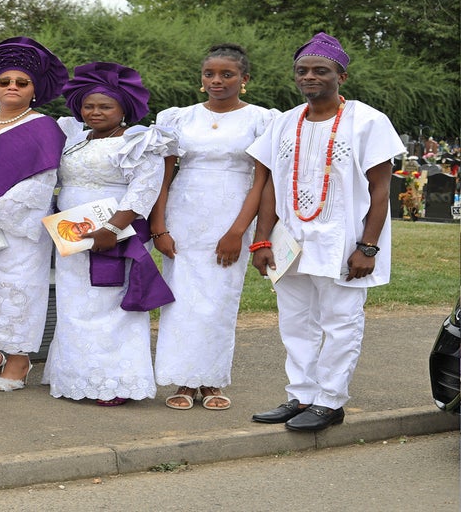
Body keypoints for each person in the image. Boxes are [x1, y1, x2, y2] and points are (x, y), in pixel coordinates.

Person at [247, 32, 404, 431]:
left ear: (341, 77)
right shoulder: (284, 122)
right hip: (290, 240)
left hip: (342, 240)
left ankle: (330, 401)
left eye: (321, 70)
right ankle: (301, 395)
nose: (310, 76)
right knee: (295, 322)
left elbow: (380, 190)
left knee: (340, 321)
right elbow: (270, 185)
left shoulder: (368, 121)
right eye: (302, 70)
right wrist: (262, 239)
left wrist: (368, 247)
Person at [40, 62, 177, 406]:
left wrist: (113, 229)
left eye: (105, 106)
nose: (95, 112)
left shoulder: (138, 141)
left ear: (123, 109)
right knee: (73, 305)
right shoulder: (75, 140)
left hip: (116, 233)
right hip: (74, 234)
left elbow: (145, 188)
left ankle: (115, 382)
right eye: (89, 106)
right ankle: (75, 378)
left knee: (112, 306)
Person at [150, 44, 276, 411]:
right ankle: (183, 379)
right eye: (210, 74)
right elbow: (163, 174)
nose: (217, 80)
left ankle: (211, 379)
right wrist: (159, 227)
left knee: (219, 299)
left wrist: (238, 231)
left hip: (232, 212)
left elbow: (262, 180)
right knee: (181, 298)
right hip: (183, 214)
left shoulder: (262, 119)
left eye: (227, 74)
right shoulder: (177, 118)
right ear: (201, 79)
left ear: (244, 79)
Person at [0, 37, 67, 392]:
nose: (12, 87)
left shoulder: (45, 126)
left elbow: (42, 181)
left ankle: (19, 360)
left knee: (19, 288)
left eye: (22, 82)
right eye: (4, 81)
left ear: (34, 89)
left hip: (18, 227)